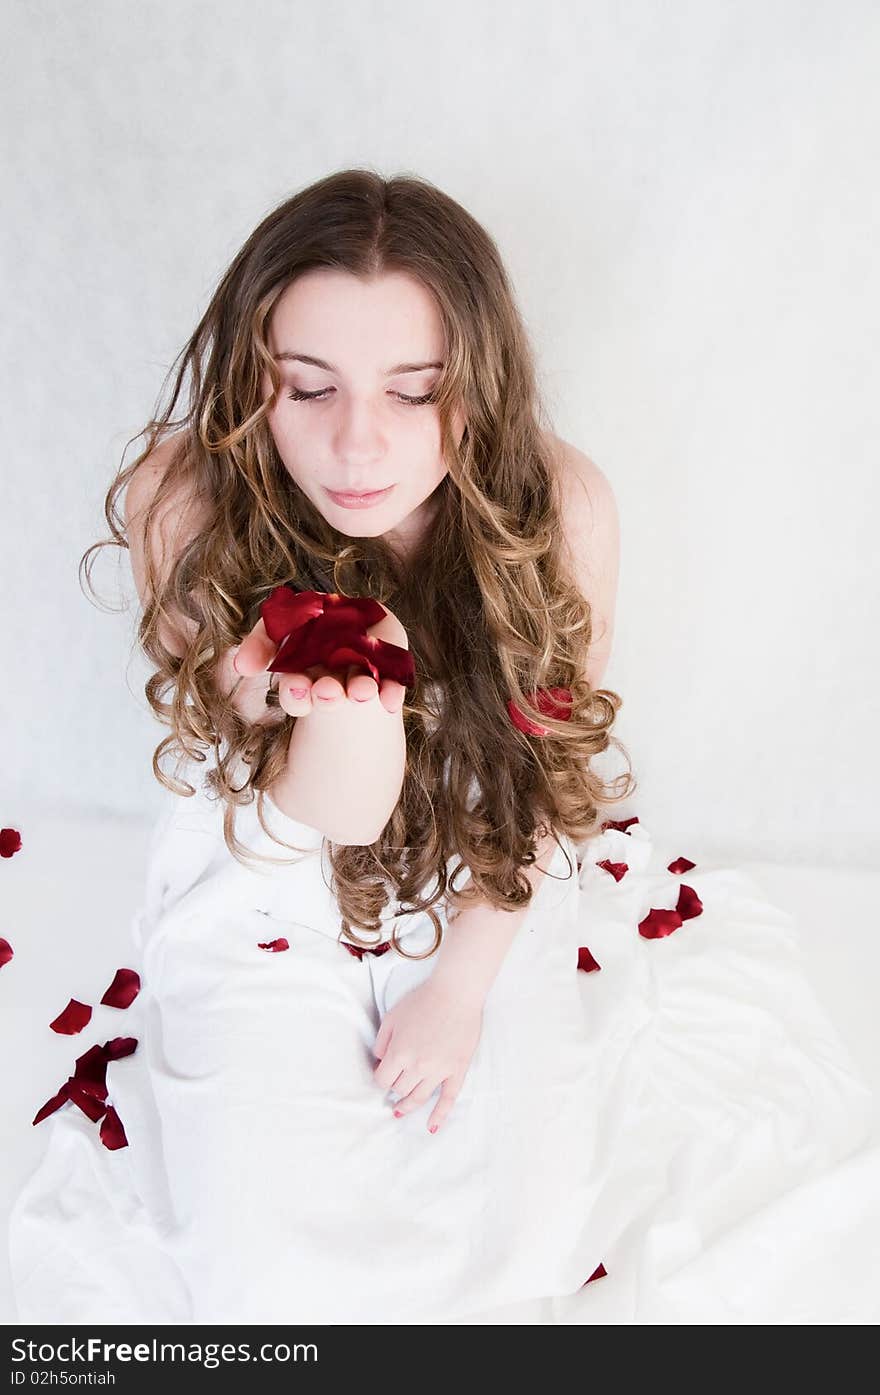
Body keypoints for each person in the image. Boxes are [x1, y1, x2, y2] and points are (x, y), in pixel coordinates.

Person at [7, 170, 874, 1326]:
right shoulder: (191, 495)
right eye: (305, 387)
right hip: (274, 841)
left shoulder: (559, 507)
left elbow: (546, 773)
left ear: (481, 385)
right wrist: (279, 692)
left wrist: (461, 986)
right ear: (249, 383)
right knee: (267, 1276)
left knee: (503, 1253)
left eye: (415, 392)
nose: (355, 444)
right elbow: (281, 774)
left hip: (486, 853)